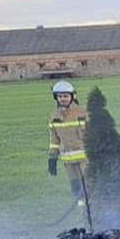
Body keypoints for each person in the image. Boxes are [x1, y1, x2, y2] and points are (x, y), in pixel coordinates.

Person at [48, 81, 90, 211]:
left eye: (66, 96)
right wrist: (52, 158)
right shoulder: (54, 116)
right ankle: (83, 213)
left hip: (86, 159)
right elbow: (54, 139)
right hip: (68, 162)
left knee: (89, 186)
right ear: (56, 98)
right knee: (76, 187)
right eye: (60, 96)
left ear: (72, 96)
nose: (63, 99)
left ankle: (95, 211)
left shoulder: (83, 113)